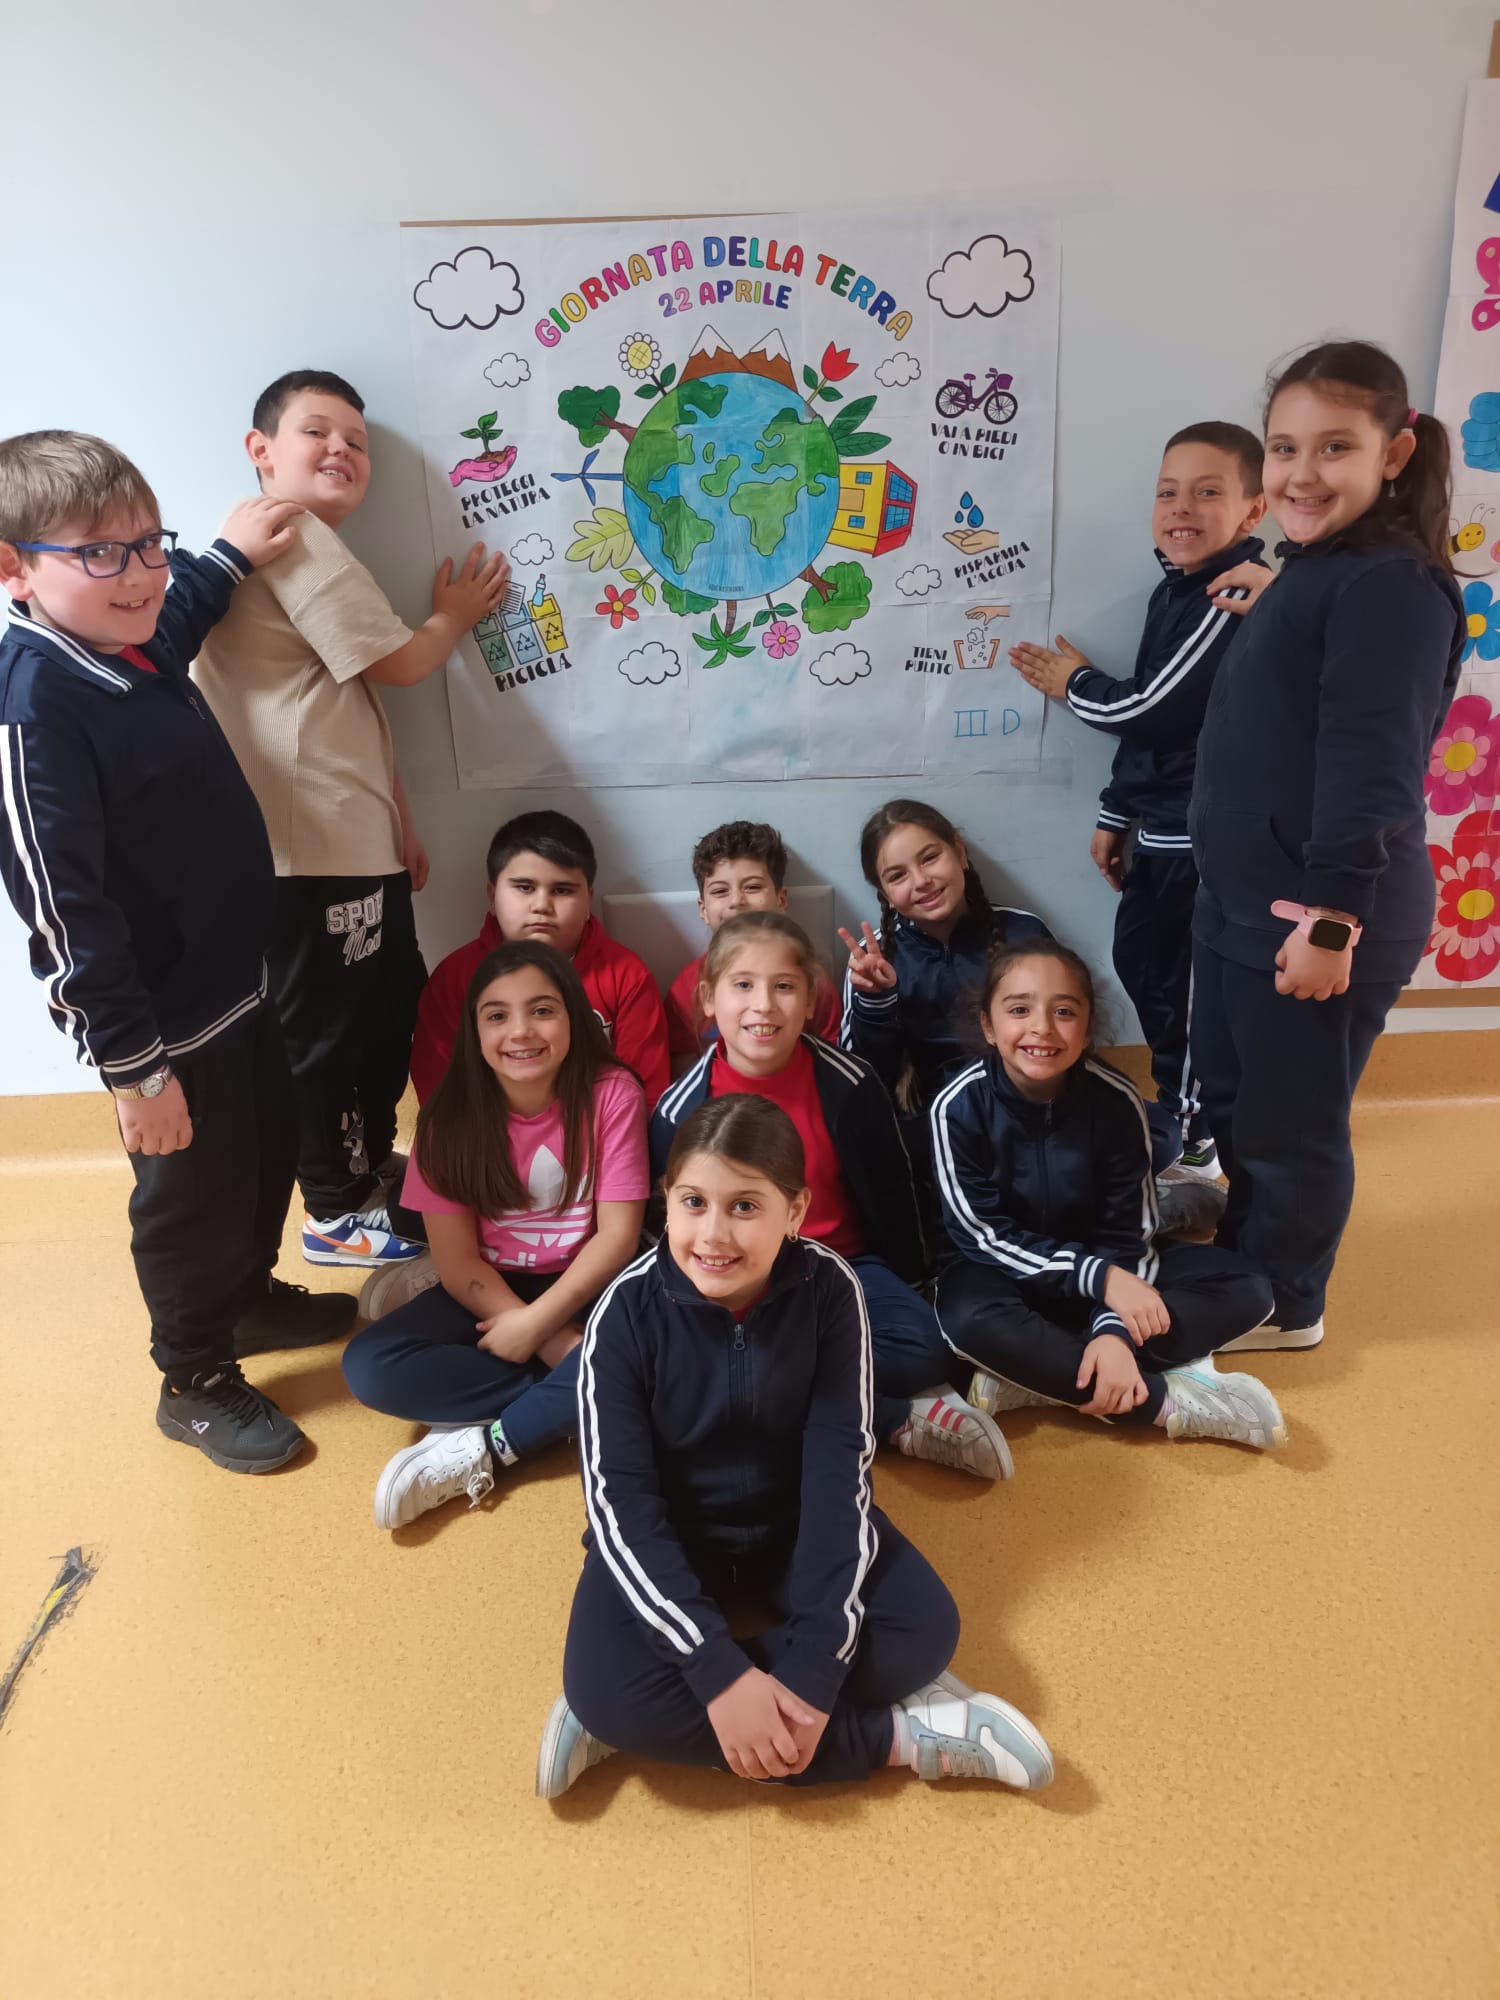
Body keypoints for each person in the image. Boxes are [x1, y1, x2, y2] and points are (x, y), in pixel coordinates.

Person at [0, 430, 355, 1474]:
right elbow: (64, 913)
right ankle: (193, 1377)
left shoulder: (135, 637)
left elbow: (184, 601)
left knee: (265, 1156)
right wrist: (134, 1072)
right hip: (162, 1028)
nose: (141, 573)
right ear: (14, 568)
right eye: (100, 552)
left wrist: (226, 554)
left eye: (151, 542)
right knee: (191, 1198)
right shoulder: (36, 707)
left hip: (238, 984)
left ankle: (245, 1297)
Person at [536, 1096, 1055, 1797]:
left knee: (925, 1631)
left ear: (796, 1211)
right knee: (604, 1693)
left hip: (793, 1528)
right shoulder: (623, 1314)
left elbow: (839, 1481)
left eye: (745, 1206)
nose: (713, 1234)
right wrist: (718, 1674)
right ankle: (900, 1737)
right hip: (675, 1538)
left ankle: (660, 1709)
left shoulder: (831, 1291)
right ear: (666, 1201)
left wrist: (812, 1670)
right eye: (693, 1202)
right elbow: (618, 1509)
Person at [192, 369, 510, 1270]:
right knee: (330, 1030)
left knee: (382, 1008)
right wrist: (453, 616)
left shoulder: (299, 540)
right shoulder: (289, 532)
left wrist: (398, 820)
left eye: (357, 442)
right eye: (317, 432)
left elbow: (349, 700)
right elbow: (399, 666)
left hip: (345, 836)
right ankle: (334, 1209)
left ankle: (363, 1171)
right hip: (308, 848)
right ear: (261, 450)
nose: (341, 449)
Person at [1186, 340, 1463, 1351]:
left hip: (1319, 913)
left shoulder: (1390, 587)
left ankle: (1284, 1299)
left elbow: (1370, 774)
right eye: (1284, 447)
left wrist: (1335, 920)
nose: (1302, 473)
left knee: (1288, 1122)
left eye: (1335, 447)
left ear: (1395, 454)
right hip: (1248, 899)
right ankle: (1248, 1246)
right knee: (1236, 1098)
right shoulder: (1320, 569)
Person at [652, 911, 1008, 1480]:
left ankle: (756, 1386)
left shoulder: (851, 1083)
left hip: (844, 1267)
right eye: (742, 985)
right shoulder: (680, 1110)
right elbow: (670, 1227)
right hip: (735, 1282)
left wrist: (913, 1280)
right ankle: (891, 1418)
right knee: (682, 1353)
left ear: (812, 1000)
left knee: (924, 1351)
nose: (763, 1005)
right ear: (709, 999)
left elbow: (893, 1189)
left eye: (783, 986)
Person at [1008, 422, 1269, 1199]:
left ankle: (1196, 1141)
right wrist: (1116, 811)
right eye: (1167, 492)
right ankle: (1185, 1112)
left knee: (1184, 989)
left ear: (1254, 511)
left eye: (1207, 492)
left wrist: (1074, 683)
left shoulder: (1233, 593)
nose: (1181, 508)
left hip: (1204, 840)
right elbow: (1164, 728)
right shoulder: (1177, 590)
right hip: (1160, 829)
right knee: (1140, 964)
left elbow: (1149, 707)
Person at [342, 941, 648, 1528]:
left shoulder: (613, 1093)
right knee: (368, 1366)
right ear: (475, 1032)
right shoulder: (447, 1120)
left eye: (542, 1010)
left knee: (658, 1355)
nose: (521, 1031)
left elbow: (617, 1238)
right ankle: (583, 1390)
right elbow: (460, 1266)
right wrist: (546, 1340)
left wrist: (539, 1325)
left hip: (588, 1283)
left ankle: (496, 1425)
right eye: (497, 1015)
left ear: (573, 1017)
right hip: (491, 1286)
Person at [932, 942, 1286, 1446]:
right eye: (1019, 1010)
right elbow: (984, 1237)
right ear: (989, 1026)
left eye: (1064, 1011)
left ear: (1088, 1028)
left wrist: (1112, 1329)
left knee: (1248, 1288)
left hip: (1104, 1265)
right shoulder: (956, 1106)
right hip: (1006, 1273)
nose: (1042, 1028)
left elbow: (1126, 1234)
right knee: (968, 1320)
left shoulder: (1117, 1102)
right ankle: (1161, 1403)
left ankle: (1035, 1375)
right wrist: (1100, 1281)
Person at [410, 808, 671, 1111]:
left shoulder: (626, 976)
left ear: (588, 900)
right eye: (524, 887)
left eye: (562, 890)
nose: (542, 905)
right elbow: (438, 1091)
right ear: (492, 896)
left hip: (600, 1131)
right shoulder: (455, 977)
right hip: (485, 1132)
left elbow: (644, 1094)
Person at [839, 798, 1051, 1113]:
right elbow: (864, 1079)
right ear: (885, 895)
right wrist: (875, 1002)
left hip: (1023, 1109)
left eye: (930, 858)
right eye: (897, 876)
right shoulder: (872, 959)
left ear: (960, 853)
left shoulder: (1023, 932)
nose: (922, 881)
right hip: (922, 1120)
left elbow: (1064, 1034)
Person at [666, 819, 841, 1073]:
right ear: (703, 909)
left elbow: (831, 1060)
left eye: (752, 887)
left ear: (781, 899)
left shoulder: (812, 980)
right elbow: (683, 1067)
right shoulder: (686, 988)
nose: (737, 901)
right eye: (720, 891)